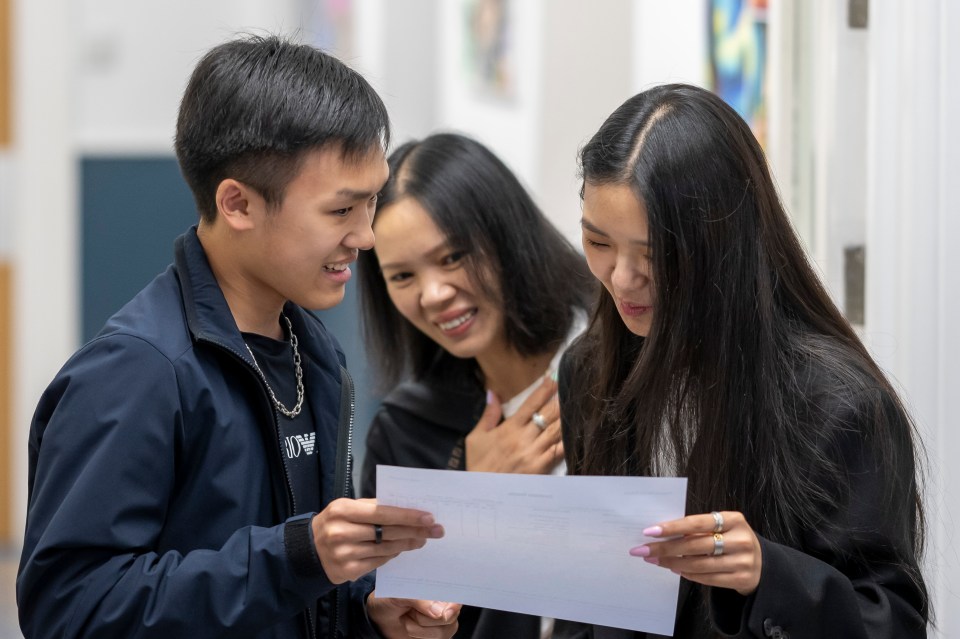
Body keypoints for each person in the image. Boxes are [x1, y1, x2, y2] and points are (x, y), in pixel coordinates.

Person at [16, 35, 461, 639]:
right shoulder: (137, 373)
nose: (366, 235)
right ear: (238, 203)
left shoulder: (315, 353)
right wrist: (295, 558)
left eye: (372, 202)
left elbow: (305, 577)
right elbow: (68, 610)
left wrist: (366, 611)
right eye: (340, 210)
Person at [560, 83, 929, 638]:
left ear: (721, 244)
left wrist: (766, 574)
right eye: (598, 242)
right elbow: (590, 598)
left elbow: (893, 623)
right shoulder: (589, 370)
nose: (621, 278)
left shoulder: (838, 407)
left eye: (655, 254)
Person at [357, 132, 594, 638]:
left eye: (452, 258)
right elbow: (406, 621)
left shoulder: (619, 363)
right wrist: (468, 494)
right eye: (402, 277)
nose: (434, 294)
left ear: (505, 235)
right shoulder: (405, 431)